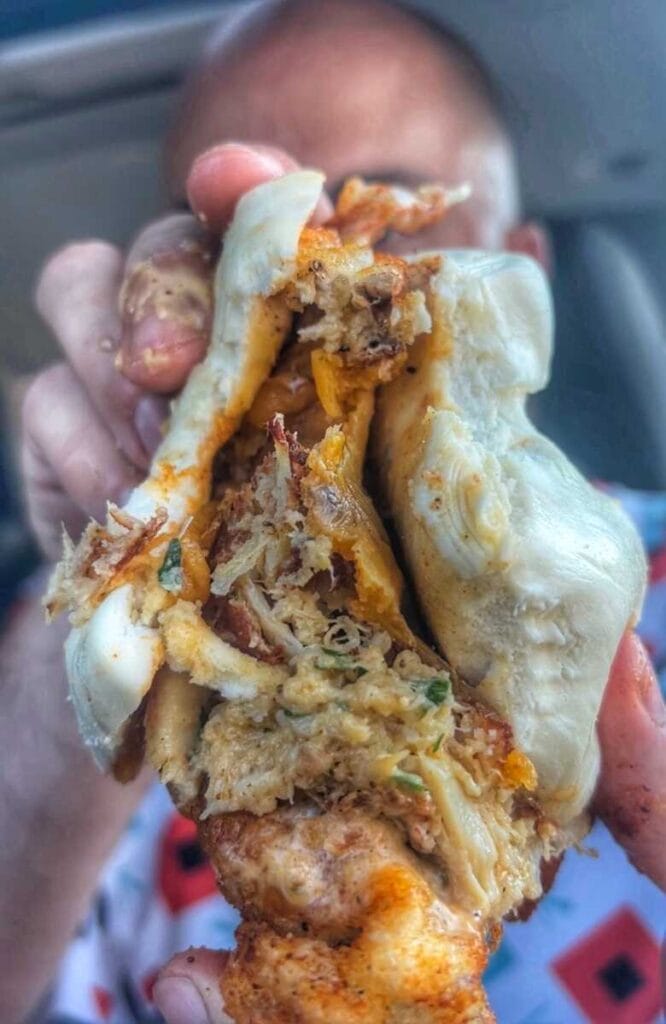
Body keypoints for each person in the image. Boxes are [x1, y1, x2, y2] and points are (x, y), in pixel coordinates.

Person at [1, 1, 664, 1022]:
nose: (321, 248)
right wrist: (101, 563)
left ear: (520, 269)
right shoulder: (143, 664)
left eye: (392, 212)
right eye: (231, 244)